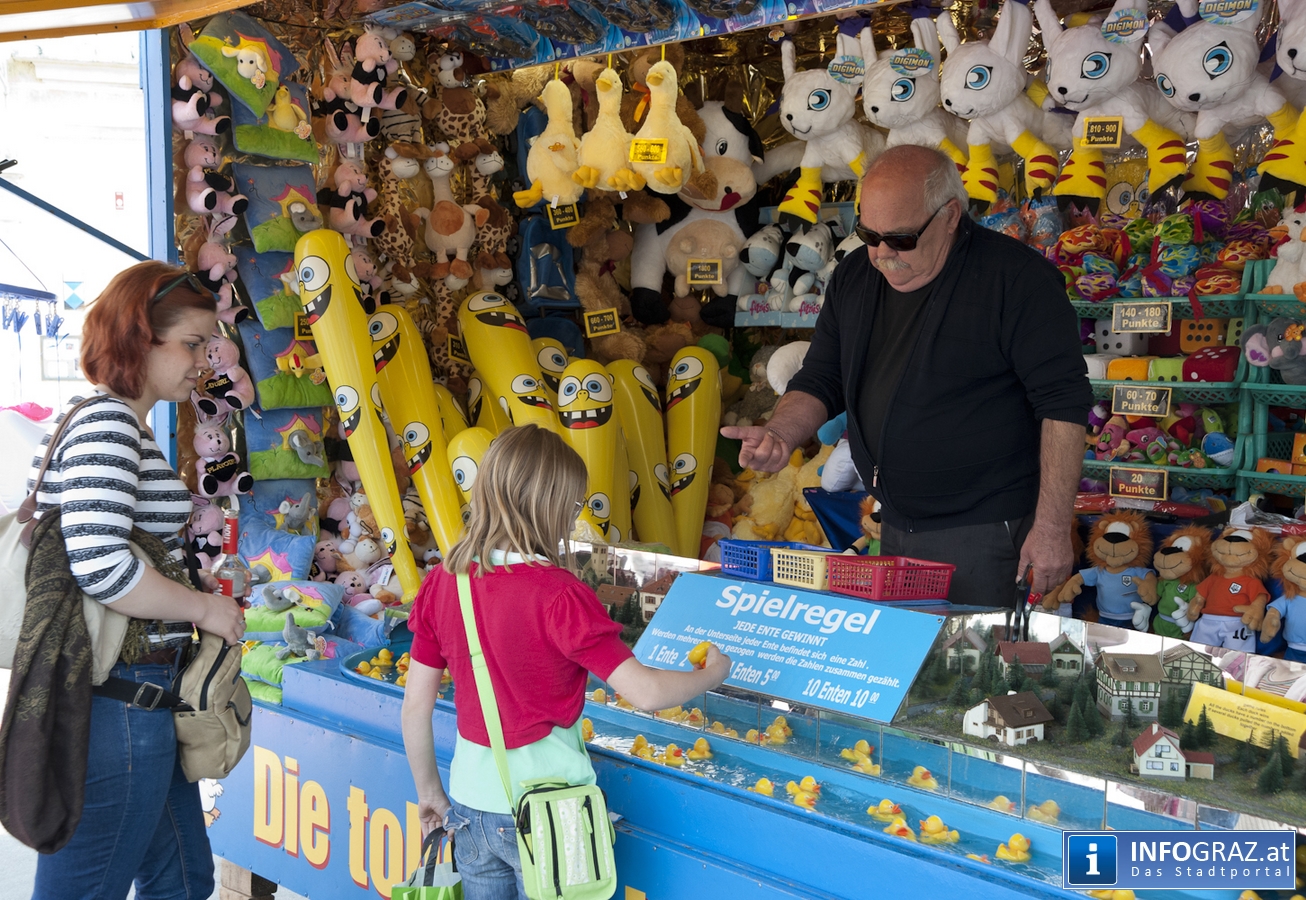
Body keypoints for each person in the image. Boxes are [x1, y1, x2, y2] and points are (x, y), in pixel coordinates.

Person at [724, 145, 1091, 605]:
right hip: (891, 522)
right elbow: (822, 374)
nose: (881, 254)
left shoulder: (1017, 279)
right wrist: (781, 432)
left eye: (900, 239)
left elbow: (1063, 404)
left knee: (963, 651)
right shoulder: (855, 275)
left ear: (950, 216)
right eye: (868, 234)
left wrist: (1052, 527)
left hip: (985, 531)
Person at [402, 424, 730, 900]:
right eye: (575, 505)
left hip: (470, 806)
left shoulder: (443, 582)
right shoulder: (560, 595)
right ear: (552, 507)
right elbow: (646, 693)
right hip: (554, 812)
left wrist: (430, 793)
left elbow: (415, 708)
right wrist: (713, 674)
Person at [29, 261, 245, 900]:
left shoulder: (120, 422)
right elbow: (101, 566)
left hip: (139, 697)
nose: (202, 362)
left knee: (183, 879)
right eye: (191, 344)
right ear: (137, 337)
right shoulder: (109, 423)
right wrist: (204, 610)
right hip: (118, 701)